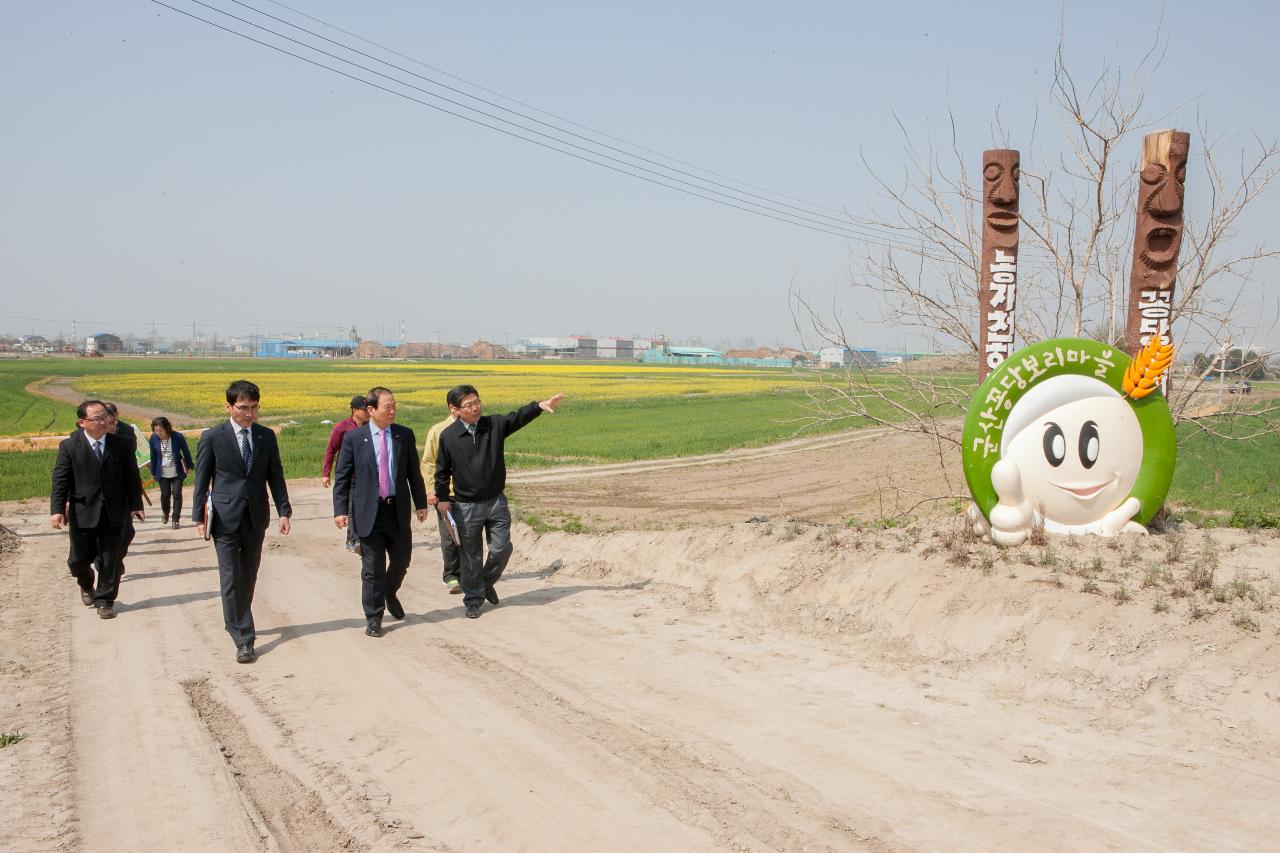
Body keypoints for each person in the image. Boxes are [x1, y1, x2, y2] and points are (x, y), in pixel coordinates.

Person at [434, 385, 564, 619]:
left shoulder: (492, 425)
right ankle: (473, 600)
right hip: (466, 506)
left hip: (496, 502)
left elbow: (516, 418)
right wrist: (442, 499)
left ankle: (483, 583)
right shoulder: (449, 437)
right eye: (469, 405)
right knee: (471, 556)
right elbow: (441, 472)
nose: (475, 408)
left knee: (502, 548)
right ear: (454, 409)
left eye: (477, 402)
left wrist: (538, 407)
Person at [192, 380, 292, 664]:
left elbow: (276, 476)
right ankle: (243, 637)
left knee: (248, 575)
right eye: (243, 408)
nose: (249, 414)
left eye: (254, 408)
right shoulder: (212, 437)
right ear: (229, 407)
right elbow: (202, 480)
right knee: (230, 576)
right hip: (224, 517)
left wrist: (284, 510)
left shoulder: (265, 437)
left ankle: (236, 616)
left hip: (255, 515)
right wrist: (198, 515)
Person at [332, 387, 428, 637]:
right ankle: (374, 617)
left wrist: (420, 503)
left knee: (402, 559)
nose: (392, 411)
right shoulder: (354, 439)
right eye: (387, 407)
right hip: (368, 512)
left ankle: (389, 591)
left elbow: (413, 473)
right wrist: (340, 510)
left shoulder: (403, 435)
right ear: (371, 410)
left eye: (394, 405)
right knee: (372, 568)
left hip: (396, 510)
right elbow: (341, 478)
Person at [49, 400, 145, 619]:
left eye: (105, 417)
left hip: (115, 510)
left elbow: (132, 477)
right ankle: (86, 583)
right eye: (97, 418)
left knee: (111, 559)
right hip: (83, 511)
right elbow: (61, 480)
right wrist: (56, 509)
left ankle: (105, 600)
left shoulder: (121, 444)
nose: (104, 421)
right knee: (77, 560)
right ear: (82, 422)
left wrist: (136, 505)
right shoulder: (69, 447)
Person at [421, 402, 460, 593]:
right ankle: (451, 575)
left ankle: (468, 572)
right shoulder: (438, 431)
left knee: (470, 535)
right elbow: (428, 462)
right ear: (453, 407)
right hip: (446, 493)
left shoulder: (476, 428)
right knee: (450, 535)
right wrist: (430, 490)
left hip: (470, 493)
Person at [321, 395, 368, 553]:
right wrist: (326, 473)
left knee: (361, 508)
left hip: (365, 476)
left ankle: (358, 538)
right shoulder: (342, 427)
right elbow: (331, 450)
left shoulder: (371, 427)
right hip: (348, 475)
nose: (368, 412)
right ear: (355, 411)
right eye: (364, 409)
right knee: (351, 508)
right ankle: (353, 540)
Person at [149, 416, 194, 528]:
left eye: (161, 430)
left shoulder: (177, 437)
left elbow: (186, 451)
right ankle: (166, 513)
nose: (158, 433)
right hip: (162, 472)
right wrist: (153, 472)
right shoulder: (153, 438)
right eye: (156, 431)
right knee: (165, 495)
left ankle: (175, 519)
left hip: (177, 471)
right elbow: (153, 456)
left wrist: (190, 466)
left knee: (177, 494)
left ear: (167, 428)